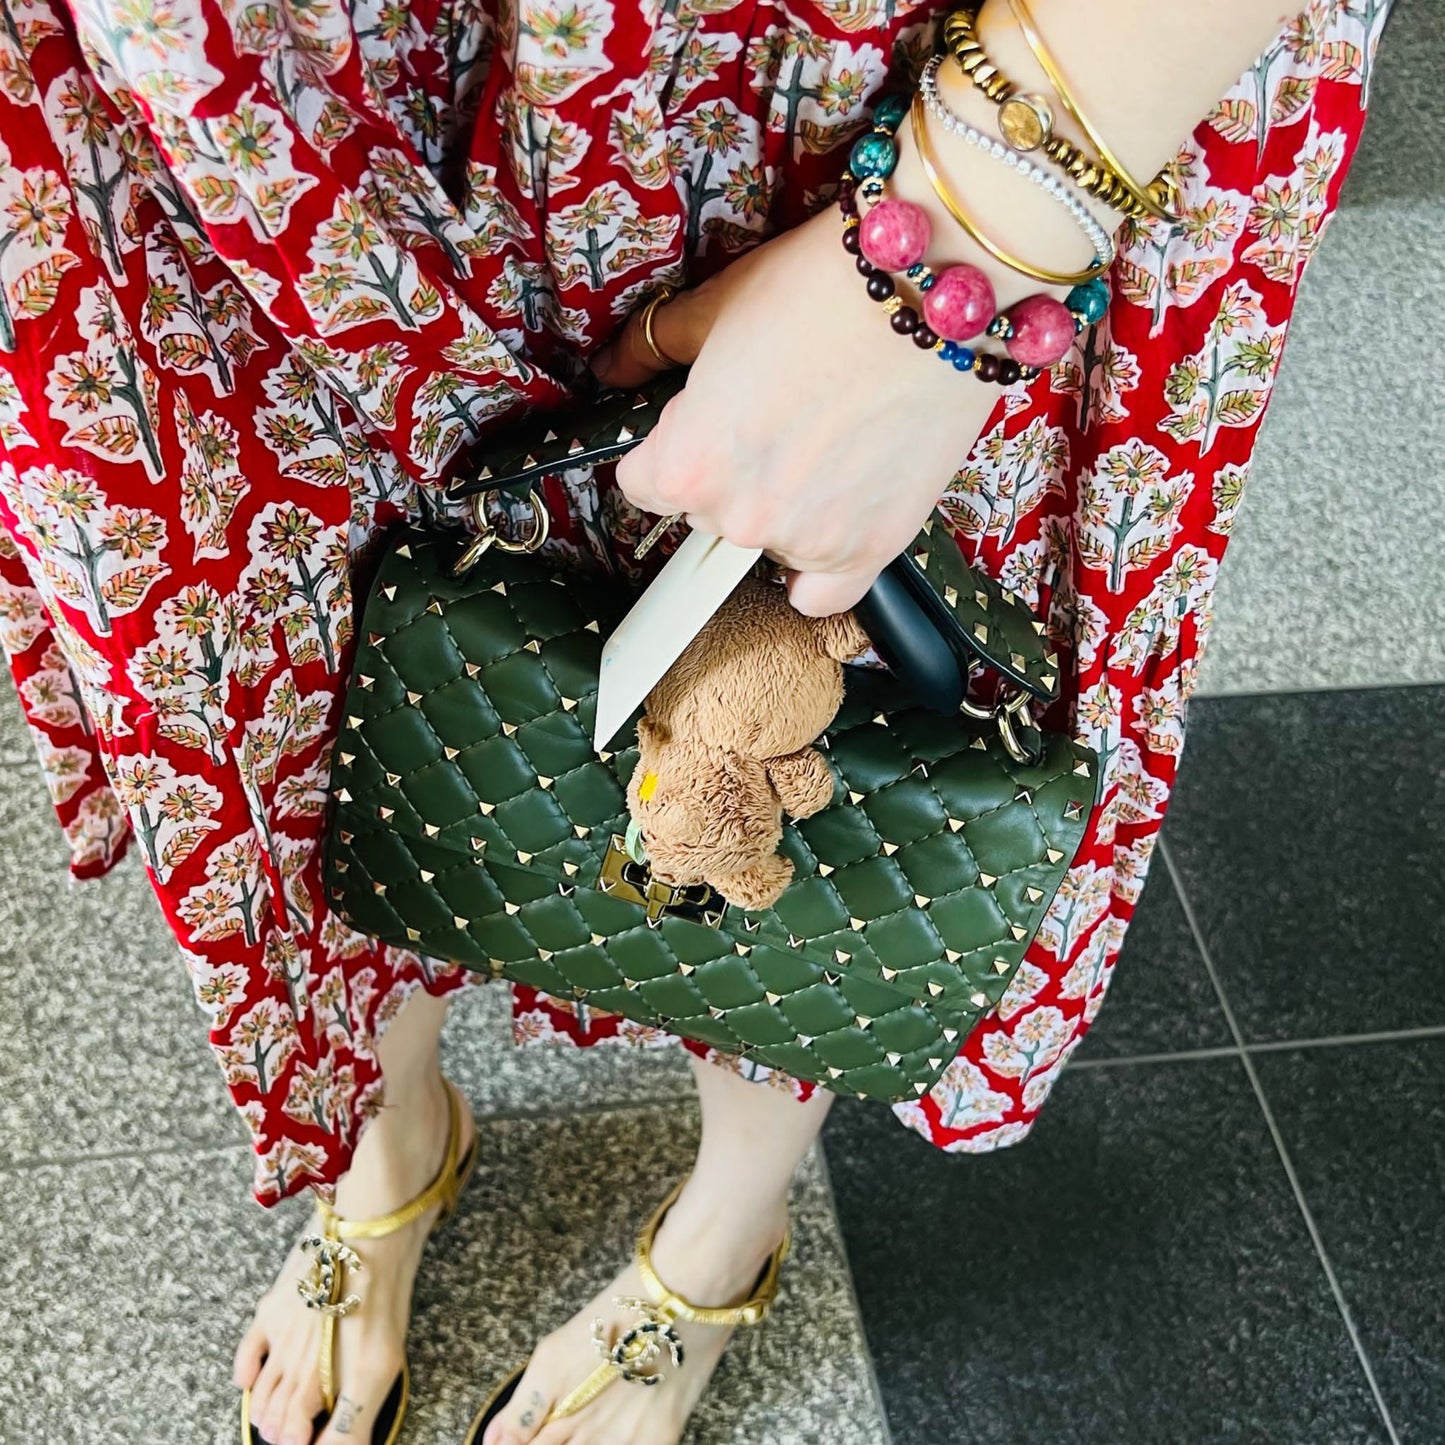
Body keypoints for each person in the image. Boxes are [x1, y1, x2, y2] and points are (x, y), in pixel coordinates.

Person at [0, 0, 1387, 1441]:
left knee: (864, 714)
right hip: (243, 88)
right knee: (315, 643)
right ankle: (390, 1135)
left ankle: (717, 1240)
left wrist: (961, 245)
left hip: (939, 83)